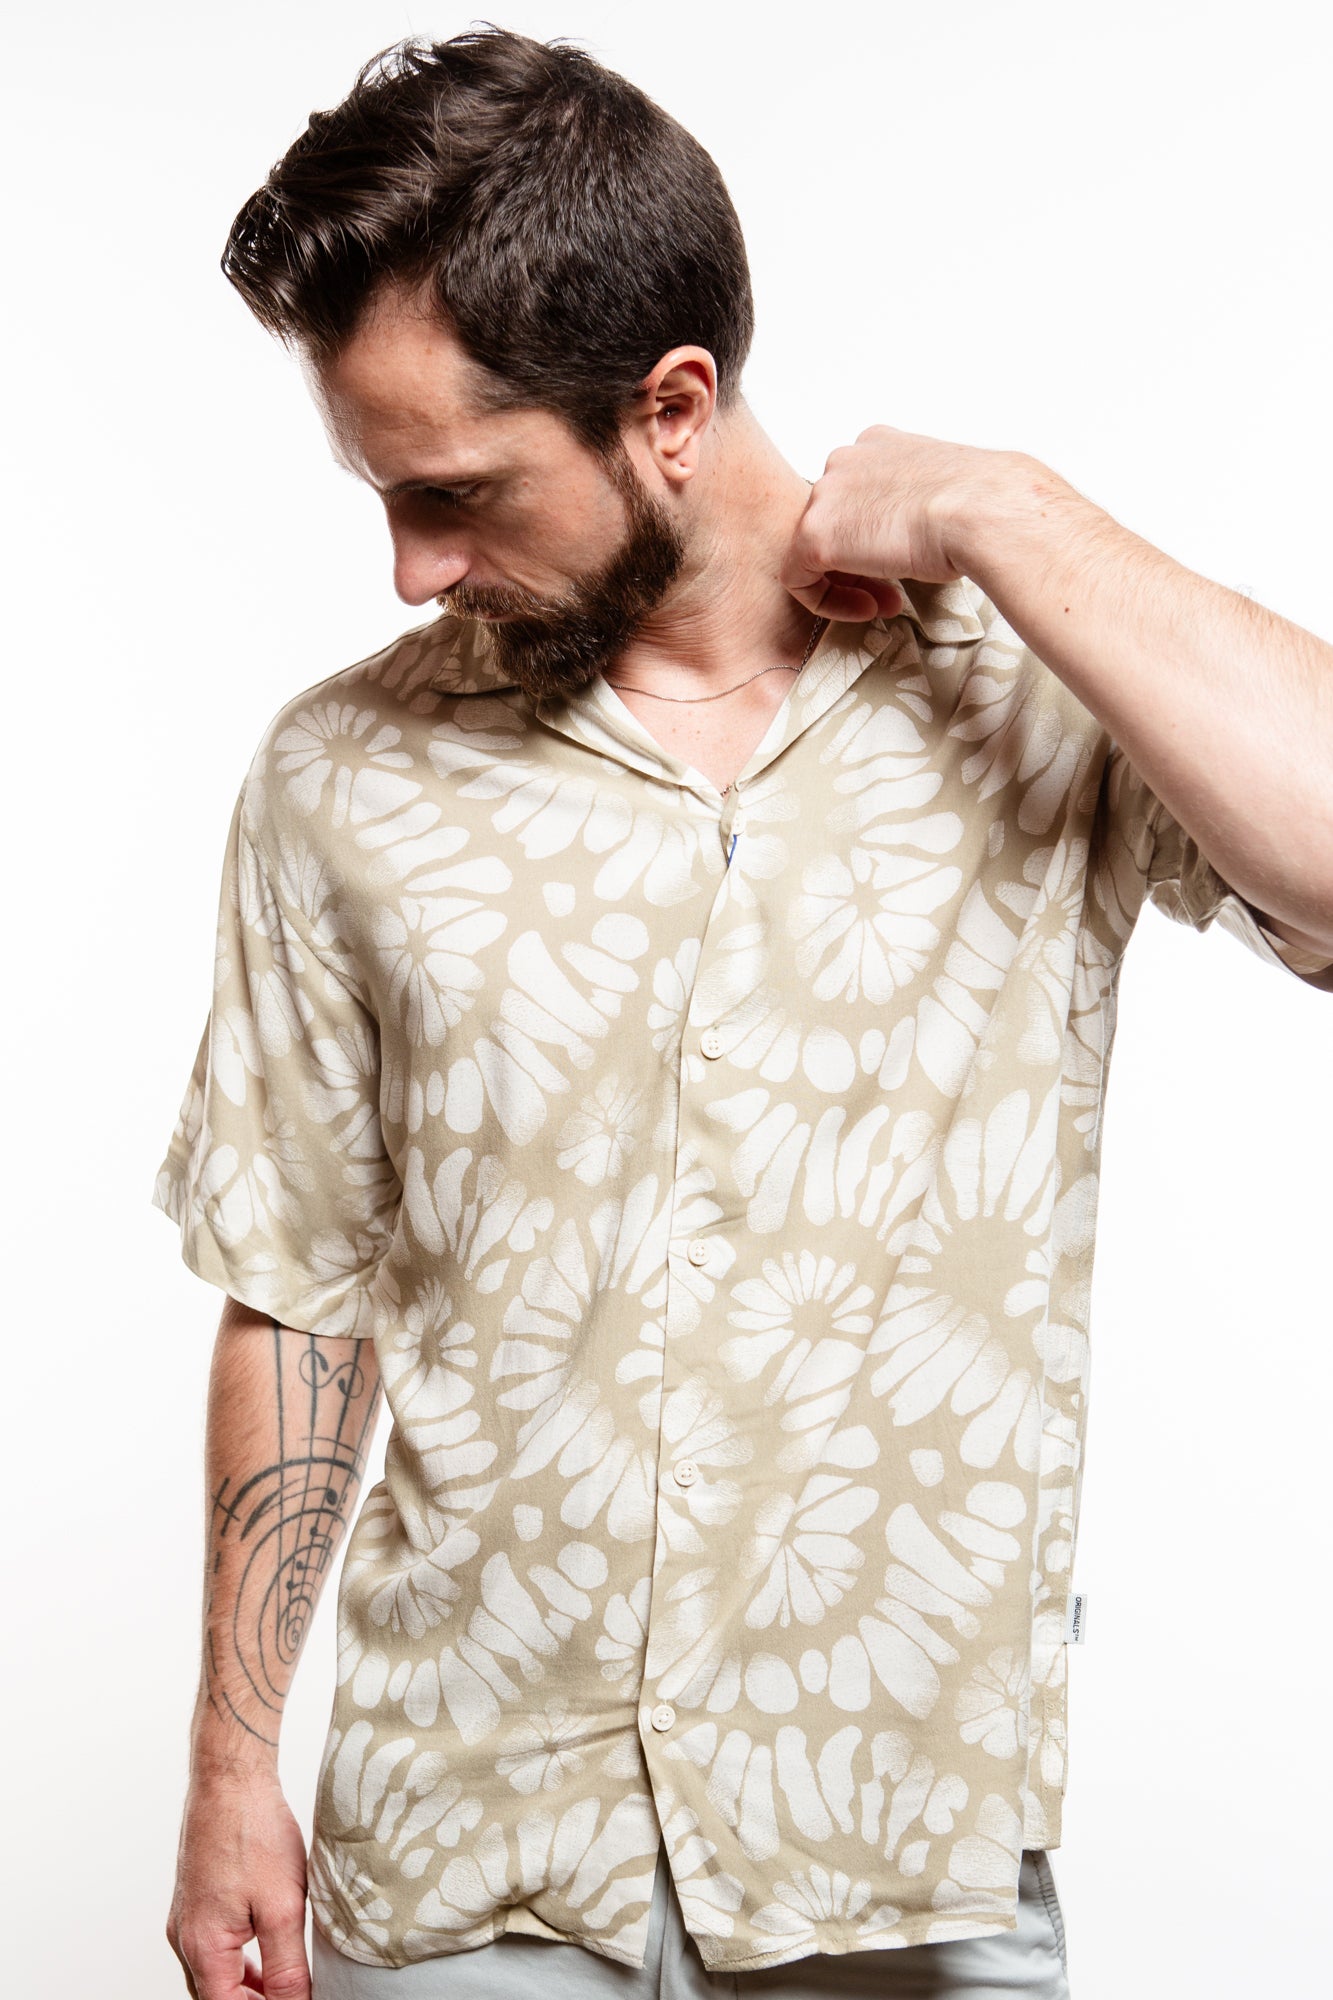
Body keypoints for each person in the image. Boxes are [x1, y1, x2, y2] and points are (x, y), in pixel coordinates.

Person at [154, 27, 1333, 2000]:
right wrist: (227, 1765)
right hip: (466, 1863)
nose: (413, 565)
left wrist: (1016, 515)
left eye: (456, 492)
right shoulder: (341, 774)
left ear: (673, 406)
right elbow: (297, 1284)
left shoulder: (1024, 693)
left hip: (888, 1859)